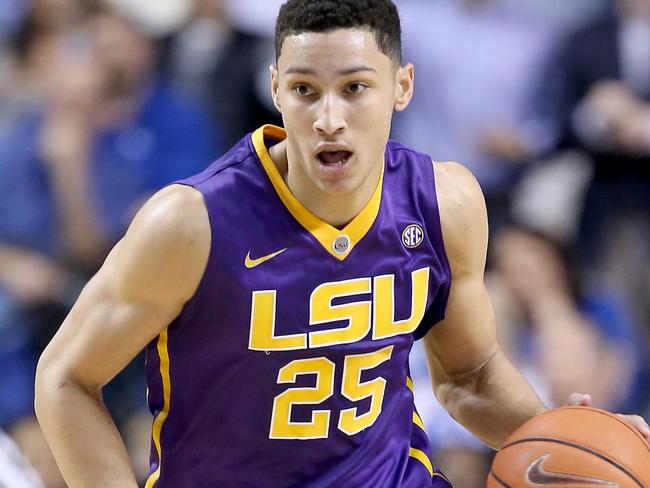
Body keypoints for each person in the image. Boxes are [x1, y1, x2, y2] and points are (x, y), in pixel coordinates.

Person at [34, 1, 650, 487]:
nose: (329, 116)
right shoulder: (191, 220)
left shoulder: (446, 202)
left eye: (355, 87)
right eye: (305, 89)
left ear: (402, 87)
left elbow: (469, 374)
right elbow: (65, 377)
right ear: (275, 88)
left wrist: (568, 436)